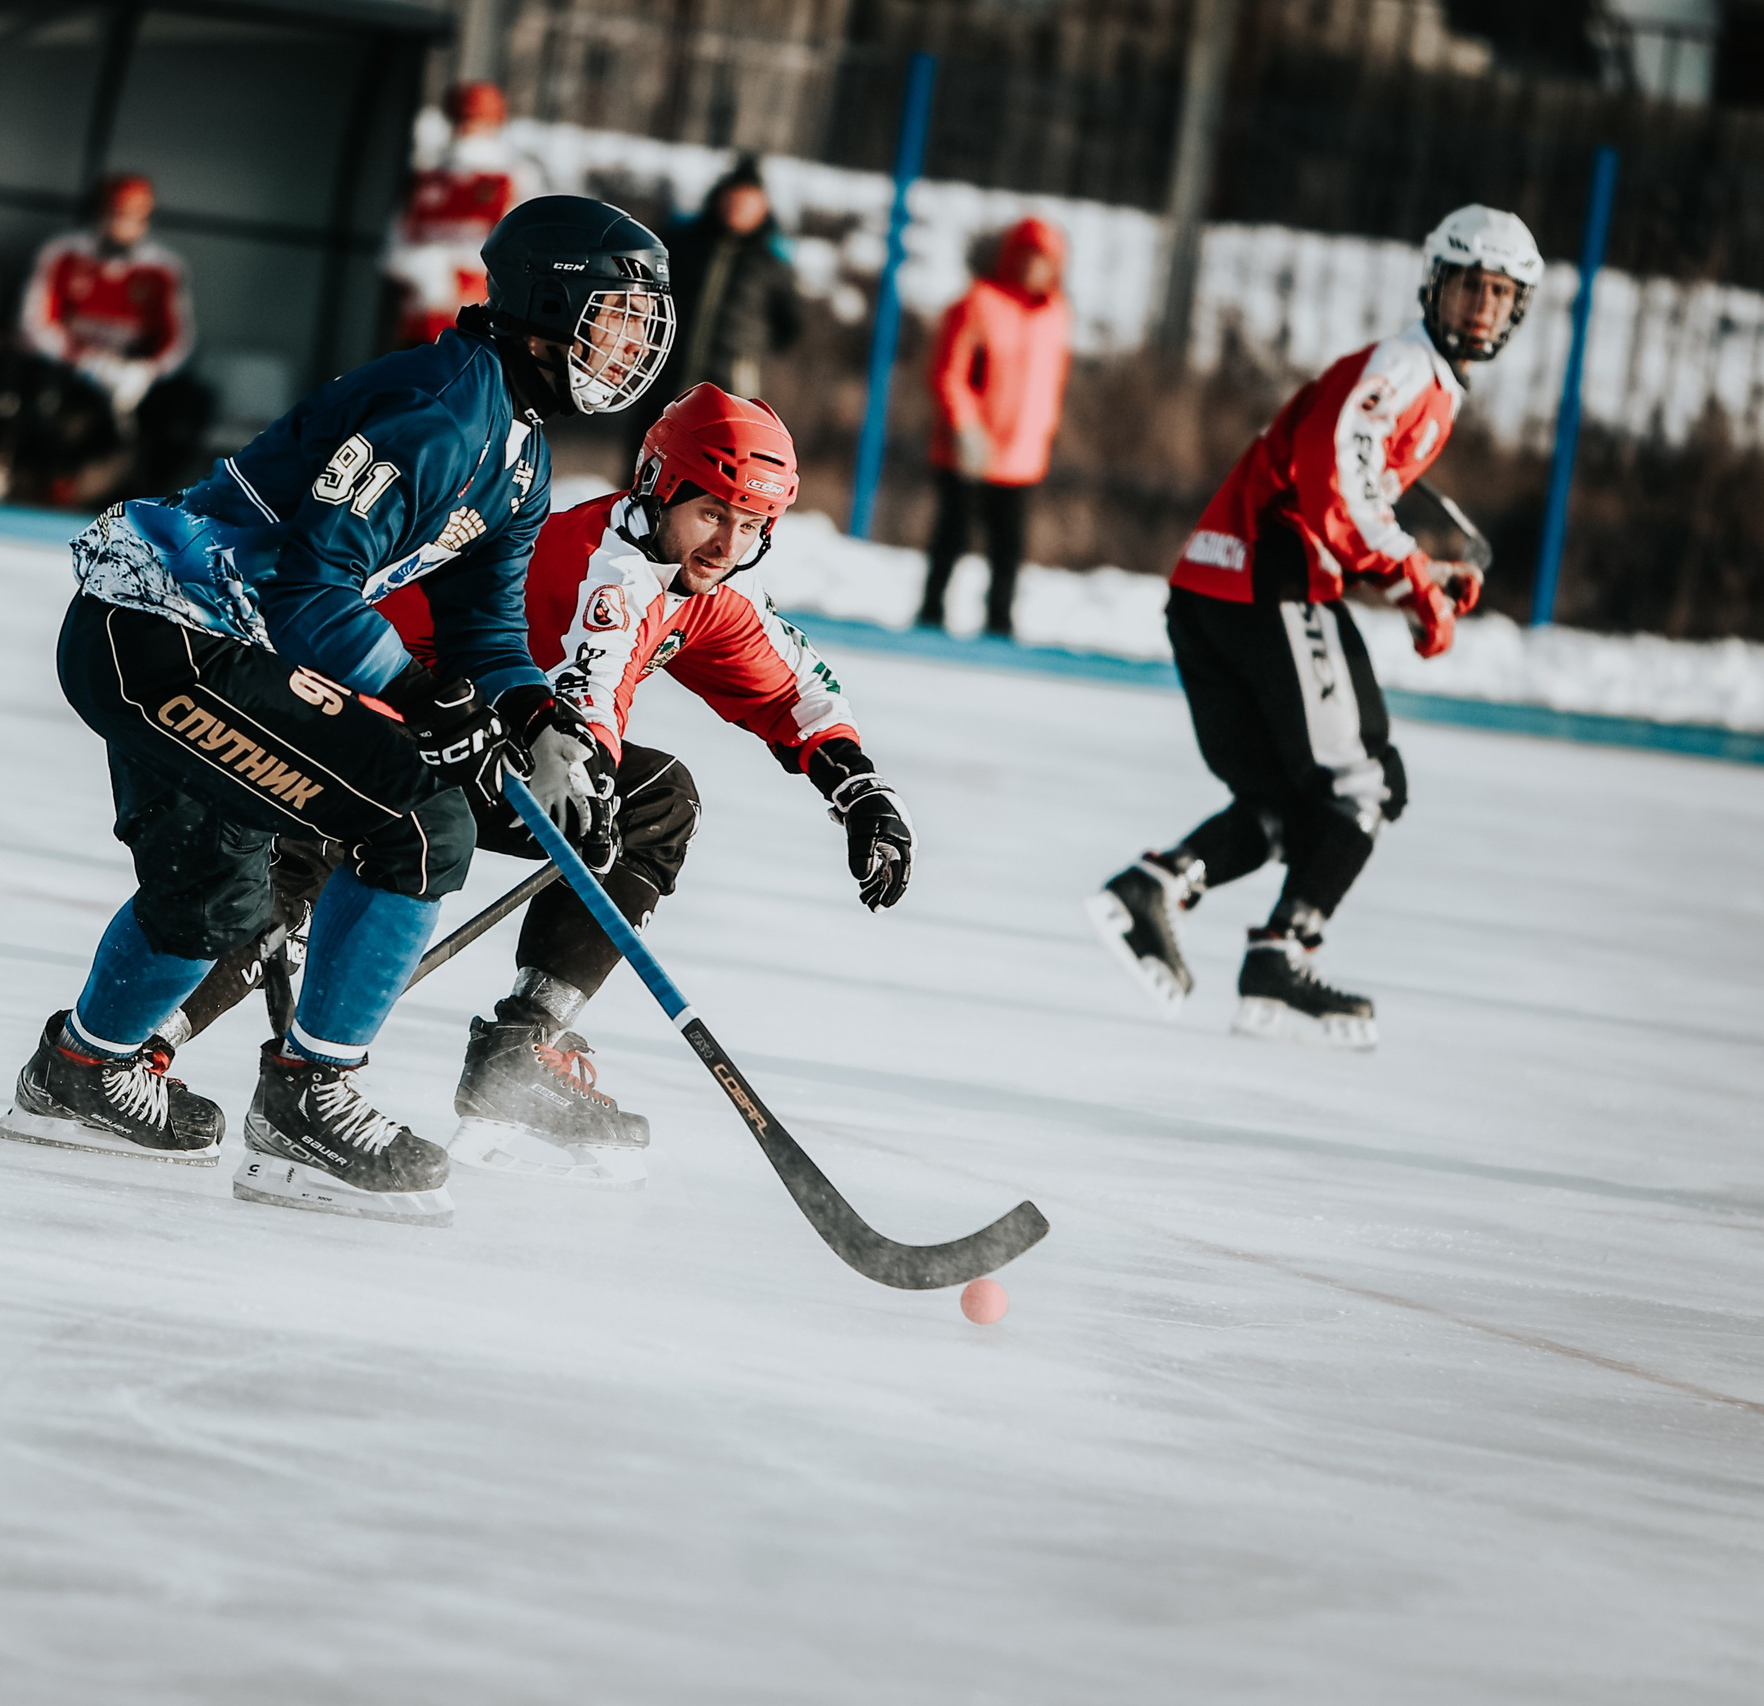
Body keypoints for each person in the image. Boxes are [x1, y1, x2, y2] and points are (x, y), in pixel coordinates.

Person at [0, 195, 675, 1228]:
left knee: (213, 892)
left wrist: (540, 718)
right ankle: (307, 1099)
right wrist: (415, 695)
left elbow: (486, 627)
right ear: (548, 303)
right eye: (615, 317)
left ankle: (78, 1073)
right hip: (165, 640)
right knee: (417, 816)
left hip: (185, 642)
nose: (630, 346)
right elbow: (309, 588)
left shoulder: (519, 450)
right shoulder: (442, 411)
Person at [163, 386, 918, 1183]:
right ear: (658, 485)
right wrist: (591, 777)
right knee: (294, 881)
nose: (728, 543)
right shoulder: (607, 568)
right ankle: (135, 1050)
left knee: (656, 800)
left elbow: (791, 687)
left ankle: (521, 1050)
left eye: (753, 525)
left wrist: (861, 791)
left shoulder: (704, 584)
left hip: (467, 740)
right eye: (712, 514)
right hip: (350, 712)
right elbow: (587, 695)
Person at [1084, 205, 1541, 1050]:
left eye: (1500, 293)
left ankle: (1155, 887)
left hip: (1217, 589)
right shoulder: (1405, 367)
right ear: (1434, 285)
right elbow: (1337, 481)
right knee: (1363, 784)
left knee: (1287, 804)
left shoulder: (1422, 381)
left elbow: (1336, 501)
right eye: (1469, 285)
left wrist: (1415, 578)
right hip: (1269, 583)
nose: (1481, 307)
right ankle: (1281, 955)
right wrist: (1413, 574)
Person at [7, 172, 211, 506]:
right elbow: (33, 324)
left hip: (134, 380)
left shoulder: (165, 268)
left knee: (186, 409)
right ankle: (34, 482)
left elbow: (178, 340)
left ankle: (150, 502)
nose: (124, 225)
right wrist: (86, 362)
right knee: (34, 392)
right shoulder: (63, 254)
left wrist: (146, 371)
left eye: (134, 217)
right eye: (117, 214)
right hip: (69, 372)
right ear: (99, 212)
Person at [915, 216, 1073, 639]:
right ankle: (931, 612)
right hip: (971, 448)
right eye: (1026, 257)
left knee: (1008, 546)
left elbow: (1053, 379)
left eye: (1042, 260)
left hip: (1023, 452)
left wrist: (1045, 429)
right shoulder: (978, 303)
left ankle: (999, 623)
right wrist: (965, 427)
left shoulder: (1057, 314)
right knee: (952, 536)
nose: (1032, 268)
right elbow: (949, 372)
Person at [622, 158, 801, 473]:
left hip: (730, 389)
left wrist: (745, 351)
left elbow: (790, 327)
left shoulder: (771, 264)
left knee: (718, 468)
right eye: (733, 199)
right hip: (667, 375)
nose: (738, 209)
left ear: (763, 208)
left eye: (748, 202)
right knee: (646, 457)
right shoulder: (681, 244)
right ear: (719, 198)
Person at [382, 81, 542, 350]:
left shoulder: (513, 179)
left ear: (495, 123)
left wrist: (455, 275)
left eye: (478, 120)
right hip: (419, 322)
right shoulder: (427, 176)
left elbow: (525, 254)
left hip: (479, 326)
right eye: (461, 119)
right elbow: (392, 250)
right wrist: (425, 269)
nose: (467, 128)